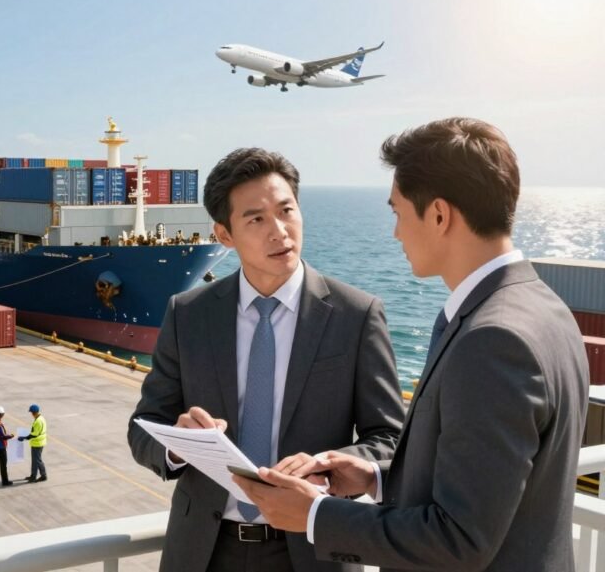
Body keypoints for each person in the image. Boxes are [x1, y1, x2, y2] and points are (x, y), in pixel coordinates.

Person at [235, 118, 589, 572]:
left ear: (439, 215)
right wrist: (378, 477)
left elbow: (459, 539)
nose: (395, 233)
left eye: (398, 212)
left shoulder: (491, 341)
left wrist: (315, 516)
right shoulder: (546, 309)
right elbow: (497, 487)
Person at [127, 147, 405, 572]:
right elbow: (143, 427)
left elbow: (389, 439)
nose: (280, 231)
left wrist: (328, 466)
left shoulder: (357, 314)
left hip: (314, 551)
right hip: (203, 551)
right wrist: (178, 446)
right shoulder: (188, 313)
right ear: (224, 234)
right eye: (256, 219)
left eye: (287, 210)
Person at [19, 404, 48, 482]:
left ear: (33, 412)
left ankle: (43, 475)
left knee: (37, 460)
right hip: (39, 442)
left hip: (37, 443)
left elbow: (34, 434)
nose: (31, 414)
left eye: (31, 412)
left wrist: (24, 438)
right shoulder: (41, 418)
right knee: (35, 460)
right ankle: (33, 475)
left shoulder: (38, 421)